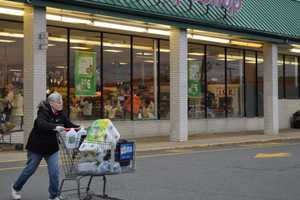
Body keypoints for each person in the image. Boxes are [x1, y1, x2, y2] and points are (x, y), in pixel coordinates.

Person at [11, 92, 79, 200]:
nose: (60, 103)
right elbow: (41, 124)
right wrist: (55, 127)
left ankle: (53, 195)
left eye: (61, 101)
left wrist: (80, 128)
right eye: (58, 102)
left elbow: (69, 125)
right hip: (36, 147)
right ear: (51, 103)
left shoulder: (61, 113)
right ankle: (16, 187)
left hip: (52, 147)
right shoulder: (43, 111)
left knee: (54, 171)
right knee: (30, 169)